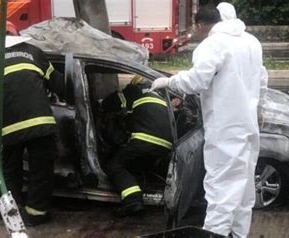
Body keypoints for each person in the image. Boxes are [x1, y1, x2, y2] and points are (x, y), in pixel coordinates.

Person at [151, 3, 267, 237]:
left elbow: (197, 81)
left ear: (202, 25)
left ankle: (215, 234)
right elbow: (262, 79)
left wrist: (170, 82)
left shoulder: (214, 44)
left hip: (225, 127)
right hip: (248, 127)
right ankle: (238, 234)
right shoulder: (251, 42)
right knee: (243, 189)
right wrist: (259, 108)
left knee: (220, 187)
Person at [0, 23, 63, 226]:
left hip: (9, 127)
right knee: (41, 170)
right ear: (18, 35)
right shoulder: (34, 52)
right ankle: (37, 214)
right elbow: (58, 83)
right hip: (41, 124)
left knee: (9, 172)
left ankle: (13, 216)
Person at [101, 81, 173, 217]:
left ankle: (132, 202)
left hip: (145, 139)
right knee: (134, 163)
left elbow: (107, 104)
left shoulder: (128, 93)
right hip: (166, 144)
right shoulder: (155, 96)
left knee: (115, 165)